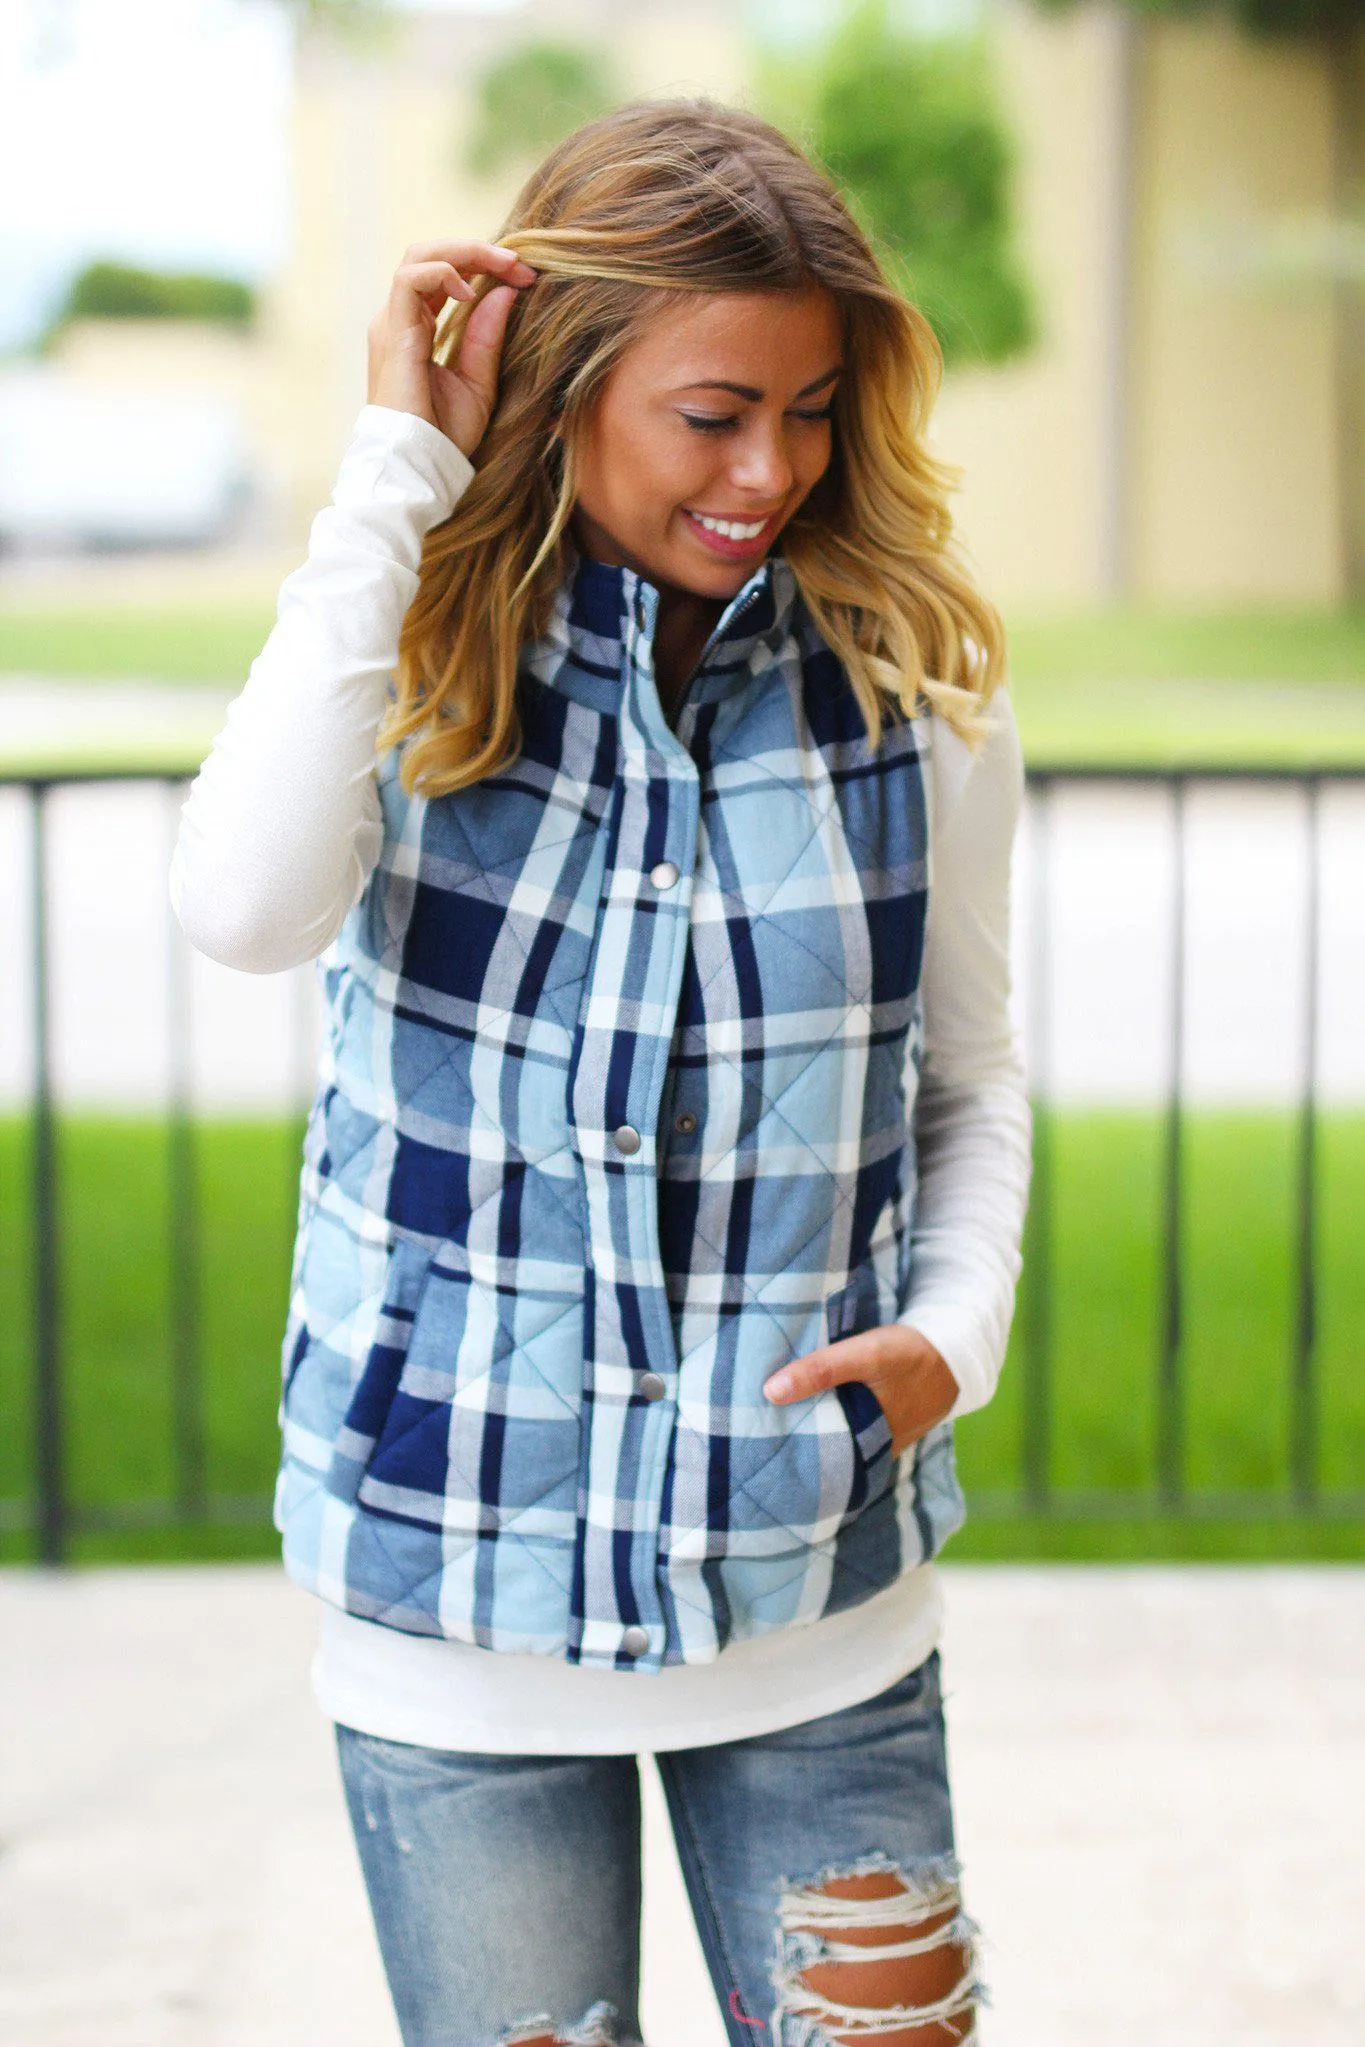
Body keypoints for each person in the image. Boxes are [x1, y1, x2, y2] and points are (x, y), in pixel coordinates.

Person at [171, 97, 1030, 2047]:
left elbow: (970, 1083)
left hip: (818, 1610)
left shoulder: (919, 696)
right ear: (564, 395)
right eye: (712, 412)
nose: (772, 471)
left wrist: (950, 1337)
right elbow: (237, 912)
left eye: (811, 410)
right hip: (454, 1619)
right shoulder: (401, 664)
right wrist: (395, 467)